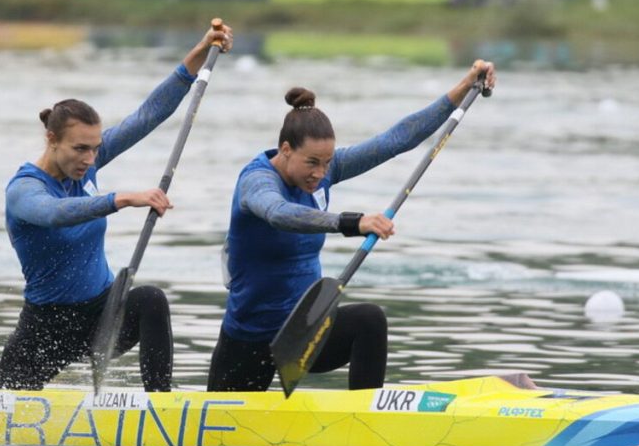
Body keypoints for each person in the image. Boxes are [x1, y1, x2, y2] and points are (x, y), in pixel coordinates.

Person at [207, 60, 497, 392]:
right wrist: (352, 222)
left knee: (369, 321)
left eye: (327, 163)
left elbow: (396, 139)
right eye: (312, 163)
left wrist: (464, 87)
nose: (320, 173)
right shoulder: (256, 182)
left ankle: (365, 413)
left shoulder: (324, 172)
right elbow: (279, 214)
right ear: (286, 150)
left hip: (302, 332)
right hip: (249, 339)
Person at [0, 21, 234, 392]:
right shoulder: (24, 189)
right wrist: (120, 199)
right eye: (80, 149)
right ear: (51, 139)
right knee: (5, 406)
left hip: (102, 314)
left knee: (151, 299)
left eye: (94, 148)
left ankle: (159, 404)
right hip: (47, 326)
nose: (90, 158)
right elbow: (54, 214)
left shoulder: (86, 163)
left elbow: (147, 116)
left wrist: (198, 55)